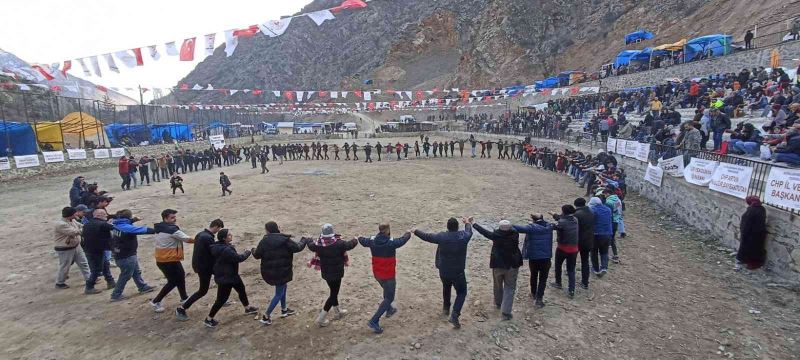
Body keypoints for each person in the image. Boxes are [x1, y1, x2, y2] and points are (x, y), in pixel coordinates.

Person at [413, 217, 473, 329]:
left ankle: (446, 309)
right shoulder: (463, 237)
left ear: (447, 227)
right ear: (457, 227)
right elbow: (469, 232)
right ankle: (455, 314)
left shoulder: (442, 236)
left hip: (444, 270)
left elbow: (427, 237)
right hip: (458, 272)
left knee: (446, 287)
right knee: (461, 292)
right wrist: (467, 223)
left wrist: (416, 231)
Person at [356, 223, 412, 333]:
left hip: (377, 273)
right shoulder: (391, 243)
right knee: (389, 297)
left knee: (386, 290)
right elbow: (402, 240)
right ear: (387, 230)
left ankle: (389, 309)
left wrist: (359, 237)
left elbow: (363, 241)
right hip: (388, 274)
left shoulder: (372, 240)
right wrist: (408, 233)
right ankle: (374, 320)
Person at [252, 221, 308, 326]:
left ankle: (284, 310)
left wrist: (252, 250)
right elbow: (297, 248)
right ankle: (266, 316)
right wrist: (304, 239)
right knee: (279, 293)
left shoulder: (264, 241)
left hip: (269, 271)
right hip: (283, 271)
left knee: (283, 287)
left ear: (268, 230)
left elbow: (257, 255)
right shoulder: (285, 240)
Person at [306, 224, 358, 327]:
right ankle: (321, 318)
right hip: (337, 272)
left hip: (326, 273)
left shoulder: (318, 244)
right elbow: (349, 245)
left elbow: (310, 245)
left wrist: (308, 239)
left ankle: (337, 311)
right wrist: (355, 239)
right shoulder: (339, 243)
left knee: (333, 291)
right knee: (333, 294)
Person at [204, 229, 258, 328]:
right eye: (229, 235)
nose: (231, 235)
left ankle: (247, 307)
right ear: (224, 238)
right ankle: (209, 319)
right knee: (221, 299)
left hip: (230, 275)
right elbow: (239, 258)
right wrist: (247, 252)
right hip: (227, 278)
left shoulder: (218, 247)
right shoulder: (226, 250)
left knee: (241, 290)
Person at [472, 220, 522, 320]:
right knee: (510, 288)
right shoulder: (515, 234)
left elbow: (485, 232)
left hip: (498, 264)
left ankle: (498, 302)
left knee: (497, 284)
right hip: (512, 265)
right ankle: (506, 312)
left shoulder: (496, 235)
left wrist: (474, 224)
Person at [177, 219, 224, 321]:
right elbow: (213, 252)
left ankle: (221, 300)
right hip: (205, 267)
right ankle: (182, 308)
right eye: (219, 228)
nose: (218, 230)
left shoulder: (201, 234)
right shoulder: (208, 238)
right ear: (216, 226)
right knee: (202, 291)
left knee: (222, 279)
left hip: (200, 265)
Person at [148, 209, 194, 313]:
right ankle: (156, 301)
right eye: (172, 217)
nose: (174, 219)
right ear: (165, 218)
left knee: (181, 275)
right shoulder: (172, 230)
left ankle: (184, 297)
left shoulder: (159, 227)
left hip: (164, 258)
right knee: (173, 281)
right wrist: (201, 239)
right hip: (168, 260)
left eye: (175, 217)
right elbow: (187, 239)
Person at [110, 209, 156, 301]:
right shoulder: (126, 227)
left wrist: (132, 220)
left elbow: (125, 223)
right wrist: (158, 229)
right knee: (126, 275)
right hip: (126, 255)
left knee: (135, 271)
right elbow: (141, 230)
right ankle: (116, 294)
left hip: (122, 253)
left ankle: (142, 286)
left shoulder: (116, 224)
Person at [512, 214, 553, 308]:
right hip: (546, 257)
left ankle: (533, 293)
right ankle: (539, 299)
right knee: (543, 279)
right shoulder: (549, 227)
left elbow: (516, 227)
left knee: (533, 275)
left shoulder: (531, 228)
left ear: (533, 220)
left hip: (534, 257)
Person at [54, 207, 91, 289]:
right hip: (65, 248)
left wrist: (86, 226)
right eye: (75, 213)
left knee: (83, 262)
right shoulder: (61, 224)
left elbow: (81, 226)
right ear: (70, 215)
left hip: (76, 245)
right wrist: (87, 228)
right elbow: (75, 232)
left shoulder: (72, 220)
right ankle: (60, 282)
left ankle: (89, 278)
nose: (76, 214)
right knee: (65, 266)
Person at [82, 208, 116, 294]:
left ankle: (110, 282)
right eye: (104, 214)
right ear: (98, 215)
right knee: (96, 270)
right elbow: (115, 228)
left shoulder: (88, 224)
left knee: (105, 265)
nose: (106, 216)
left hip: (91, 249)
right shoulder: (101, 224)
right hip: (96, 250)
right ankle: (89, 287)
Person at [550, 205, 580, 298]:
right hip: (574, 249)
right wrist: (554, 215)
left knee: (558, 265)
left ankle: (558, 283)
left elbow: (558, 224)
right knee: (571, 270)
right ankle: (571, 290)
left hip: (562, 248)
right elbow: (562, 219)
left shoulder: (561, 222)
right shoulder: (575, 220)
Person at [736, 196, 768, 270]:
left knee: (750, 249)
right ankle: (749, 261)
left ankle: (750, 263)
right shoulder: (762, 209)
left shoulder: (751, 210)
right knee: (755, 248)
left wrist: (744, 232)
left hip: (750, 233)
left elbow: (747, 222)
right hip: (759, 233)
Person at [572, 198, 595, 289]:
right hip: (588, 240)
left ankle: (571, 279)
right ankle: (585, 283)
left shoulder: (577, 215)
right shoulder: (591, 212)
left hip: (577, 240)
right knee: (585, 262)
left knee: (572, 260)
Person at [588, 197, 613, 276]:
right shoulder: (608, 209)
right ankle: (604, 268)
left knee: (594, 251)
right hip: (608, 234)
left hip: (596, 234)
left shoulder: (593, 210)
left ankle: (595, 269)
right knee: (604, 252)